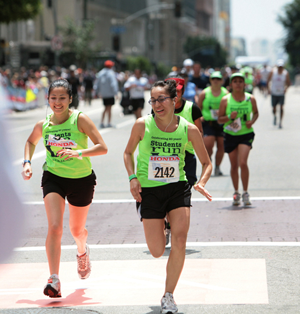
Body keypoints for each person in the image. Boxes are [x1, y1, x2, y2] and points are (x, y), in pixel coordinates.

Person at [124, 79, 212, 314]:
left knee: (180, 241)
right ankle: (164, 224)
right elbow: (127, 152)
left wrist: (201, 182)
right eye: (153, 100)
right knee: (156, 250)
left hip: (178, 187)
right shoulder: (142, 124)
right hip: (149, 190)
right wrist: (132, 177)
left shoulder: (188, 129)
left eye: (161, 99)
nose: (157, 104)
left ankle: (168, 296)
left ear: (174, 100)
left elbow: (206, 163)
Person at [22, 78, 108, 298]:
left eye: (62, 98)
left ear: (70, 98)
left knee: (76, 231)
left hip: (82, 179)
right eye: (53, 98)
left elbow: (102, 147)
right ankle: (54, 278)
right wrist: (27, 162)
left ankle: (82, 251)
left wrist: (78, 152)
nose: (57, 102)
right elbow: (31, 142)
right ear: (48, 99)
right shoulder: (44, 125)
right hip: (54, 178)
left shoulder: (80, 120)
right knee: (55, 227)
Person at [163, 76, 203, 245]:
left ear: (183, 91)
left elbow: (199, 134)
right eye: (171, 91)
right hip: (164, 156)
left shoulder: (192, 108)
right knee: (164, 191)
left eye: (177, 91)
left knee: (183, 192)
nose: (175, 94)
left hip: (185, 156)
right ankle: (167, 224)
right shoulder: (159, 109)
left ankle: (177, 226)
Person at [218, 73, 259, 206]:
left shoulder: (250, 98)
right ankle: (236, 192)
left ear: (244, 84)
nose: (238, 84)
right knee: (234, 165)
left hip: (246, 134)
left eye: (241, 81)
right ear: (231, 85)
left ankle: (246, 192)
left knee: (242, 162)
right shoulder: (225, 100)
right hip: (230, 134)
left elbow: (256, 112)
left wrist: (251, 121)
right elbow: (220, 119)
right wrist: (230, 116)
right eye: (235, 81)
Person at [198, 71, 228, 176]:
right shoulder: (204, 93)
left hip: (221, 123)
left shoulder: (226, 93)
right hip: (208, 122)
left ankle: (217, 167)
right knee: (208, 145)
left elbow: (229, 107)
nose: (215, 81)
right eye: (213, 79)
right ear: (210, 80)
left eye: (218, 79)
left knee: (221, 146)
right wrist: (200, 117)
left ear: (221, 81)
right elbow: (198, 108)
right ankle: (208, 161)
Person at [94, 60, 119, 128]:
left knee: (105, 108)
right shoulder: (111, 73)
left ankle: (102, 122)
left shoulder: (100, 73)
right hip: (110, 94)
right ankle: (109, 122)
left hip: (104, 94)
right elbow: (113, 84)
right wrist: (116, 93)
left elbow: (97, 84)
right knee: (109, 108)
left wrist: (96, 92)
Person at [267, 59, 291, 129]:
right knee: (274, 108)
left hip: (281, 93)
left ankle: (280, 122)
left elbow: (288, 83)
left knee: (281, 107)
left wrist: (286, 88)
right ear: (277, 66)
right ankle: (275, 116)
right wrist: (268, 89)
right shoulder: (273, 72)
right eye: (279, 67)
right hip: (274, 92)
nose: (280, 68)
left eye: (281, 67)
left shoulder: (285, 73)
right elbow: (268, 80)